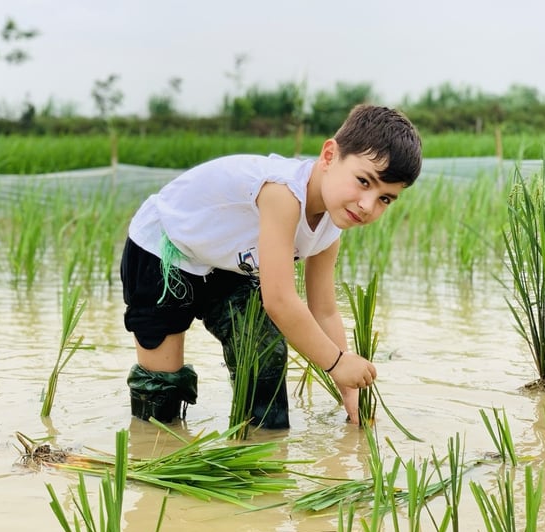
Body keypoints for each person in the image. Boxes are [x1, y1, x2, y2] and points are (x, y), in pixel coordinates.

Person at [120, 104, 422, 428]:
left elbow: (324, 312)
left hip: (227, 265)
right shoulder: (282, 193)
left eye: (385, 199)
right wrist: (336, 363)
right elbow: (279, 301)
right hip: (163, 250)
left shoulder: (333, 222)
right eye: (364, 181)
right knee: (162, 397)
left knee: (265, 352)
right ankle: (151, 454)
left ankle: (264, 447)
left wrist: (351, 394)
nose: (367, 206)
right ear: (330, 155)